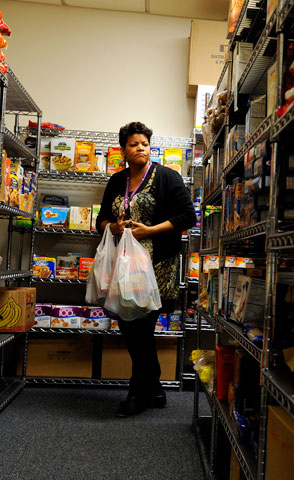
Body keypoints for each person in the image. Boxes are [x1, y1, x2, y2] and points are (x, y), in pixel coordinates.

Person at [96, 121, 196, 417]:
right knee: (132, 329)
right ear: (123, 150)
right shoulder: (117, 180)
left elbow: (187, 216)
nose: (140, 148)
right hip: (123, 268)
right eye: (133, 144)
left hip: (156, 267)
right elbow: (100, 219)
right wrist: (113, 226)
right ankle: (153, 389)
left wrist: (150, 231)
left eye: (144, 143)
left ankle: (137, 393)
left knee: (141, 328)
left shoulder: (167, 176)